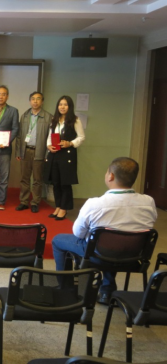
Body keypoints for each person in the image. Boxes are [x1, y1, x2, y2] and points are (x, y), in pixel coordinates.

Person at [51, 157, 157, 304]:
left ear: (110, 176)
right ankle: (107, 290)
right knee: (116, 241)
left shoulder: (95, 204)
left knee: (58, 240)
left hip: (98, 256)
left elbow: (78, 233)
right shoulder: (149, 202)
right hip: (133, 257)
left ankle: (66, 289)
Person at [44, 95, 85, 220]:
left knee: (65, 183)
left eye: (65, 105)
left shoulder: (75, 120)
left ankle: (64, 208)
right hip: (54, 154)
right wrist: (49, 146)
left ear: (70, 106)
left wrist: (70, 143)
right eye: (60, 104)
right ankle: (58, 206)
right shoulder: (54, 120)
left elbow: (81, 137)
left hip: (67, 155)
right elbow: (50, 136)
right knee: (56, 182)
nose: (62, 107)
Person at [15, 91, 53, 213]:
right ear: (30, 101)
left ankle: (35, 202)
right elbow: (19, 136)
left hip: (39, 151)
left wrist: (47, 154)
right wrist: (18, 152)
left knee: (37, 179)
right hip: (26, 151)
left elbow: (51, 137)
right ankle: (24, 202)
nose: (35, 101)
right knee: (24, 179)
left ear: (42, 101)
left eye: (38, 99)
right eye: (33, 99)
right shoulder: (25, 116)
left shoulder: (48, 117)